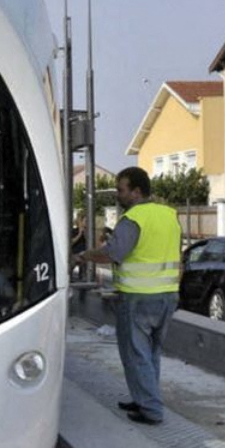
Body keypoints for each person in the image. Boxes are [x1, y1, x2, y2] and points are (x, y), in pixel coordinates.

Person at [73, 166, 180, 426]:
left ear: (136, 191)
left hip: (139, 296)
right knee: (150, 353)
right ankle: (143, 398)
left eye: (121, 190)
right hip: (166, 295)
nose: (118, 196)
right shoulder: (169, 215)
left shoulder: (134, 218)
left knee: (136, 354)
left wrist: (84, 255)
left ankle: (151, 410)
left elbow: (114, 252)